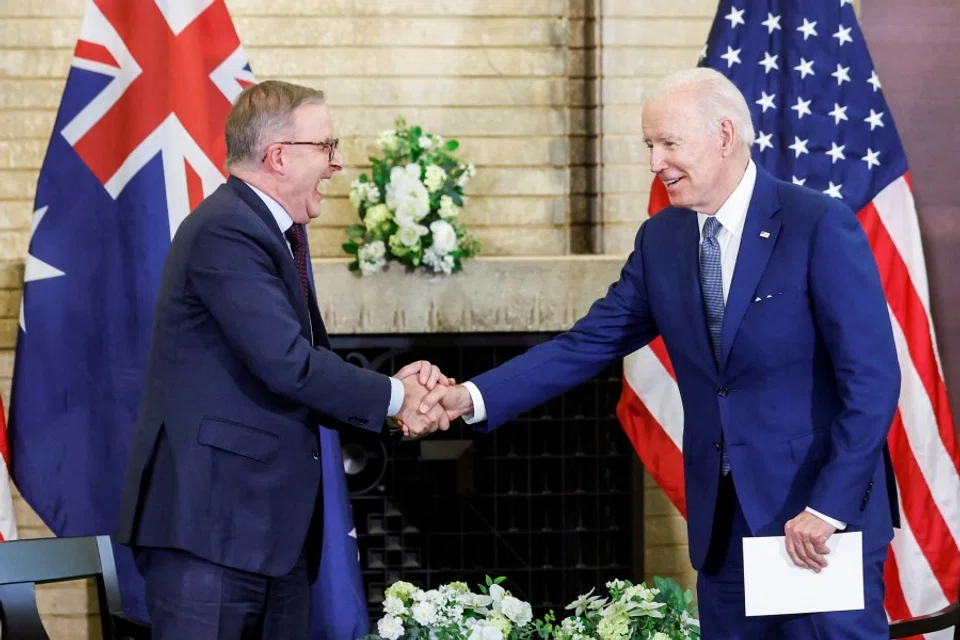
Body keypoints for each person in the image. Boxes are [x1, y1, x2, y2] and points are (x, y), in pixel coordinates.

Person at [420, 68, 901, 639]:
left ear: (724, 135)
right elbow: (586, 344)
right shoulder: (662, 238)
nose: (655, 163)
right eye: (650, 145)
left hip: (814, 523)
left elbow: (871, 381)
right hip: (723, 526)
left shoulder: (817, 224)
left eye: (669, 143)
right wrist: (469, 397)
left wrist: (828, 509)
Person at [115, 80, 449, 639]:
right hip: (212, 533)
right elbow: (288, 363)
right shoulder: (226, 229)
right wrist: (397, 396)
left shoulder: (271, 232)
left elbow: (302, 364)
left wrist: (391, 390)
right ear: (278, 157)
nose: (338, 163)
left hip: (266, 533)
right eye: (327, 147)